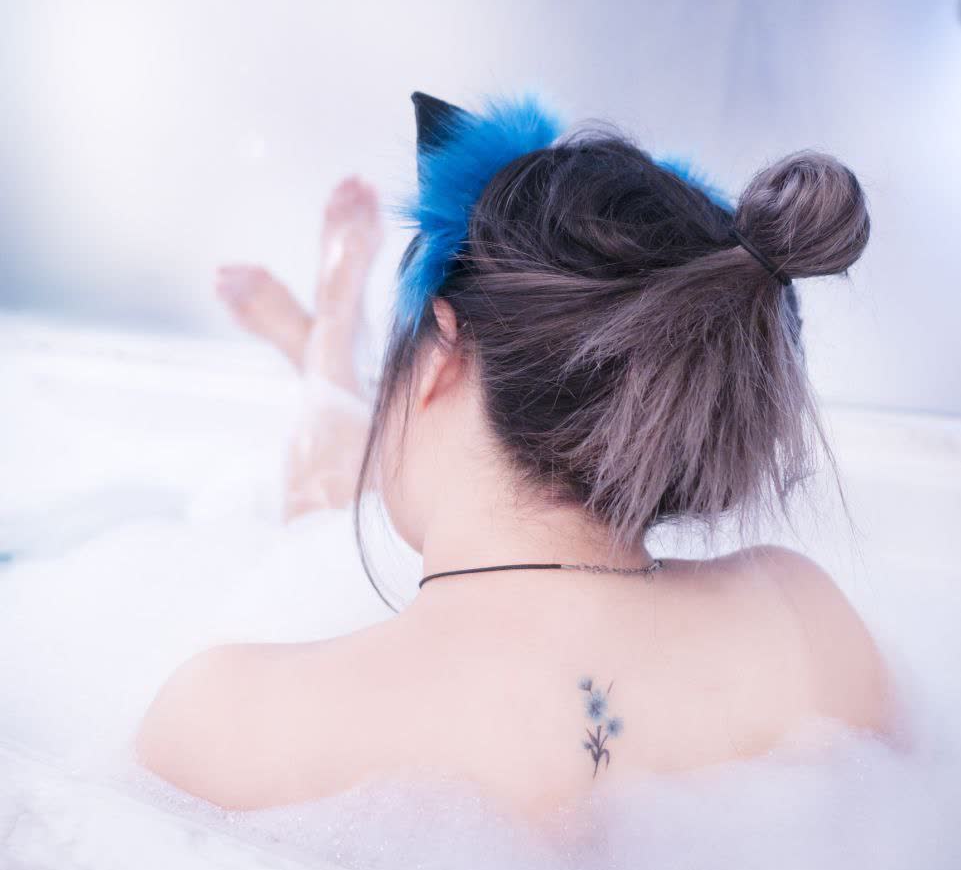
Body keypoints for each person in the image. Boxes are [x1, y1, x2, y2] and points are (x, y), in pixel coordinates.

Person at [137, 91, 899, 822]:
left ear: (439, 352)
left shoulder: (222, 721)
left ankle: (328, 359)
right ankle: (326, 356)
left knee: (323, 512)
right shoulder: (803, 616)